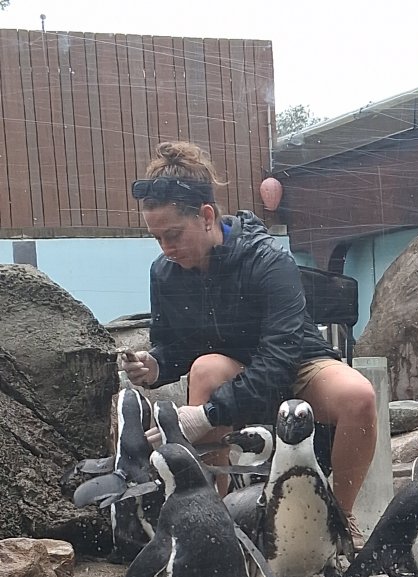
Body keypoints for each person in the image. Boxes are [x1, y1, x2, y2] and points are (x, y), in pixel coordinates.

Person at [121, 141, 377, 548]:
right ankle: (213, 529)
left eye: (173, 235)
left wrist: (206, 414)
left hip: (295, 363)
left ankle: (336, 524)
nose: (166, 249)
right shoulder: (165, 273)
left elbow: (279, 358)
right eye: (157, 239)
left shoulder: (266, 260)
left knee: (359, 395)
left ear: (206, 216)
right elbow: (175, 346)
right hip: (233, 371)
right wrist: (155, 365)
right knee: (205, 368)